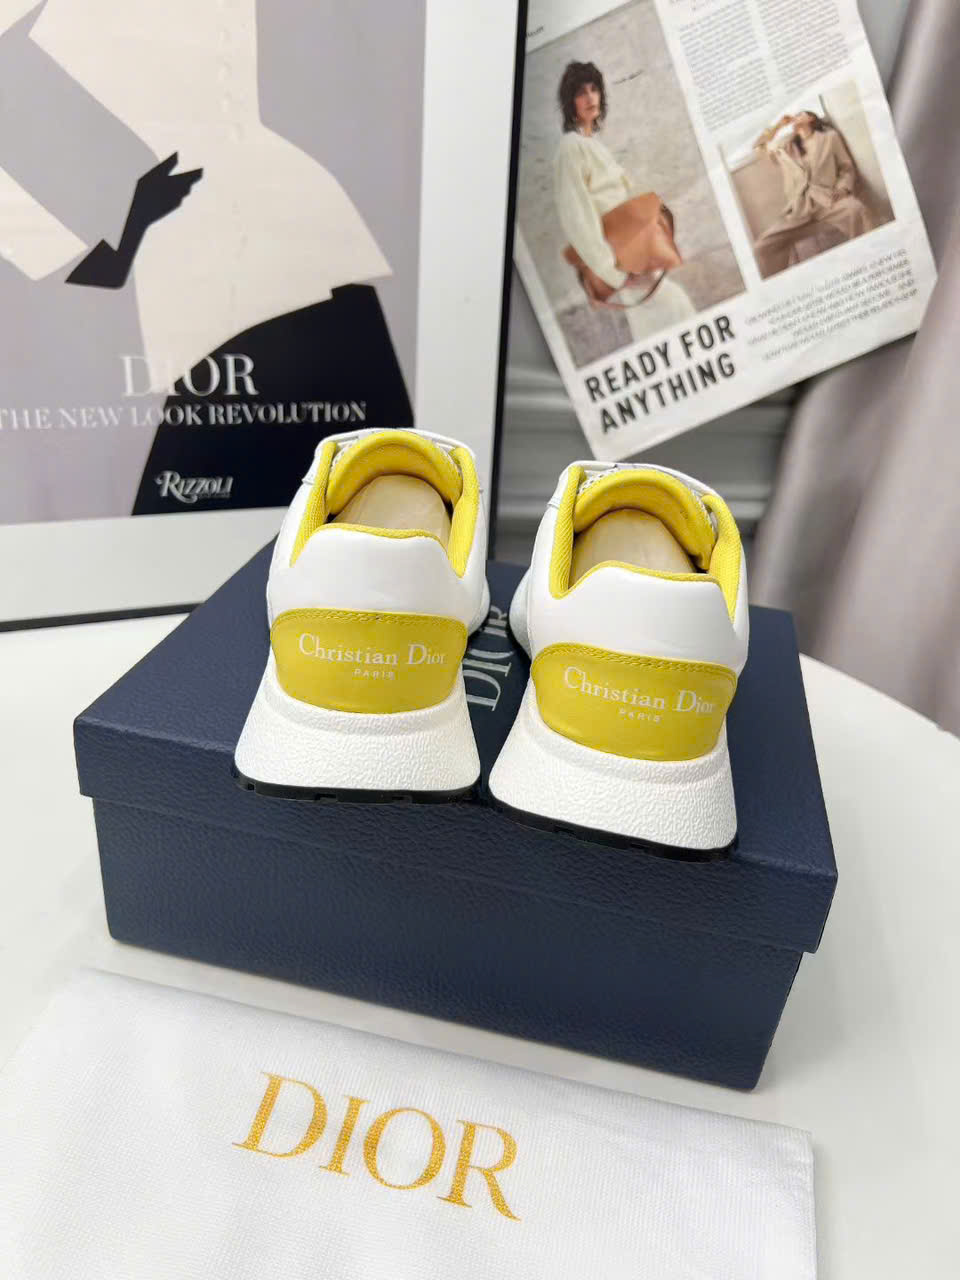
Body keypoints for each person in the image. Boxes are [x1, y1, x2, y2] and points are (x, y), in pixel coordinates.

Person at [553, 60, 695, 342]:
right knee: (672, 304)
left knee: (654, 317)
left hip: (632, 250)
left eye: (594, 89)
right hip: (618, 257)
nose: (590, 98)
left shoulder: (593, 145)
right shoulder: (570, 148)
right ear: (570, 102)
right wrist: (612, 272)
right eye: (581, 93)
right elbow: (577, 218)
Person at [752, 111, 873, 278]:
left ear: (811, 118)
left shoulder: (829, 138)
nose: (795, 117)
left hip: (828, 202)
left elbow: (846, 168)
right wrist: (778, 125)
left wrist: (843, 189)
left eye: (800, 114)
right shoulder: (784, 147)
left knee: (857, 209)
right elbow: (758, 148)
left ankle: (868, 260)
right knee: (762, 247)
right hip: (798, 210)